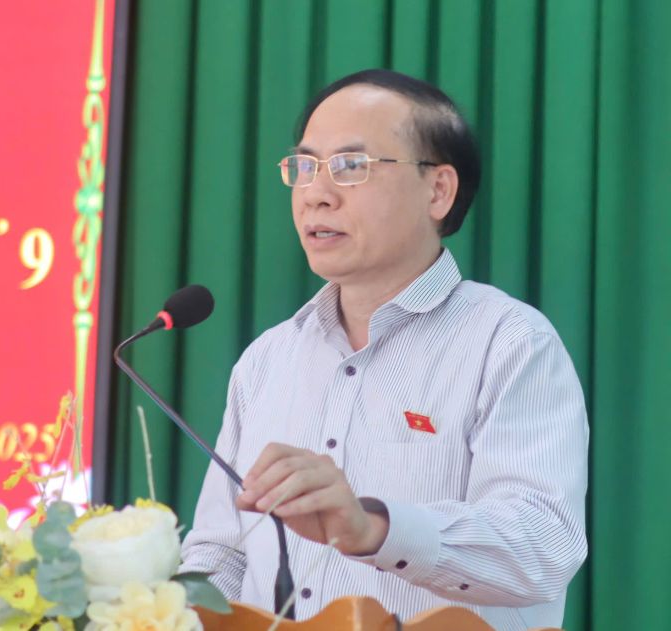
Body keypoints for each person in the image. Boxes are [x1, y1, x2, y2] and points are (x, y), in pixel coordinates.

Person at [179, 69, 588, 631]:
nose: (316, 194)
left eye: (351, 166)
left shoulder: (509, 342)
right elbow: (222, 552)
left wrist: (373, 527)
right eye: (305, 167)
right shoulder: (267, 359)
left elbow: (540, 547)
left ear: (438, 191)